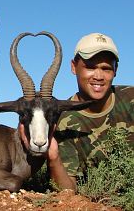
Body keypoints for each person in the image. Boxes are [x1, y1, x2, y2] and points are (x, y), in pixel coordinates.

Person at [47, 32, 134, 191]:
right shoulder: (64, 122)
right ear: (74, 67)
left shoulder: (130, 98)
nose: (99, 76)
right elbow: (68, 190)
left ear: (116, 70)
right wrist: (53, 157)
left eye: (106, 68)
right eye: (90, 67)